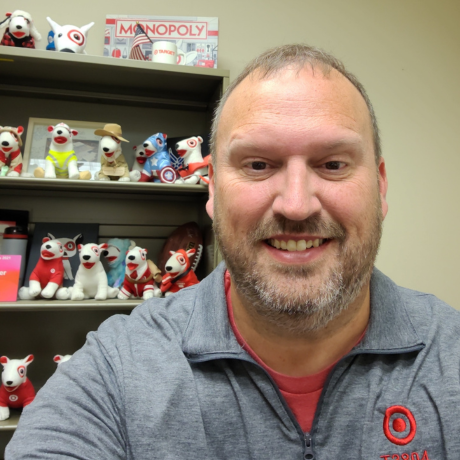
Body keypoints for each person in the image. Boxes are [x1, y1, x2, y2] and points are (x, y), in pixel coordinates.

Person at [6, 45, 460, 460]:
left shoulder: (450, 357)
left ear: (380, 187)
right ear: (213, 190)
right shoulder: (117, 369)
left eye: (334, 164)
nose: (296, 204)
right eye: (258, 165)